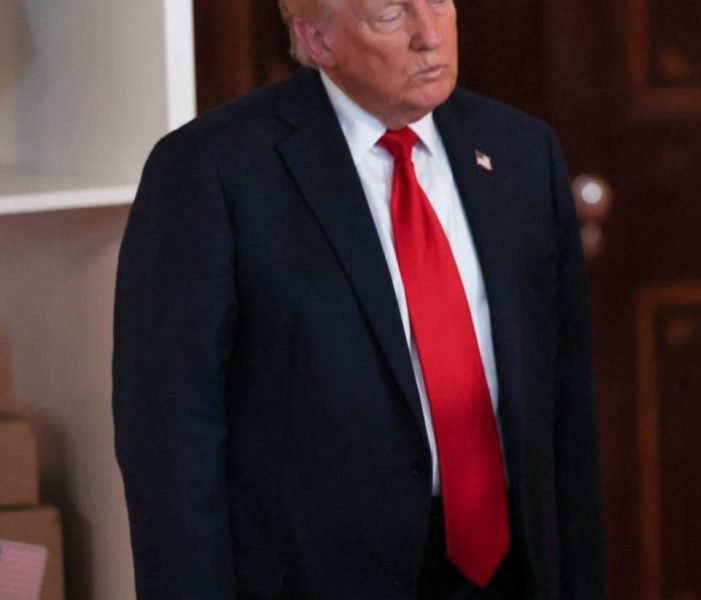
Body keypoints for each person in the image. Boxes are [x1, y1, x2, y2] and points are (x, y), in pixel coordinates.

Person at [112, 0, 604, 598]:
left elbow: (566, 402)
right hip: (321, 575)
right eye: (392, 15)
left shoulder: (522, 149)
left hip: (506, 567)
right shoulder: (210, 170)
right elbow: (169, 438)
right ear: (318, 41)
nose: (430, 35)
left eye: (438, 2)